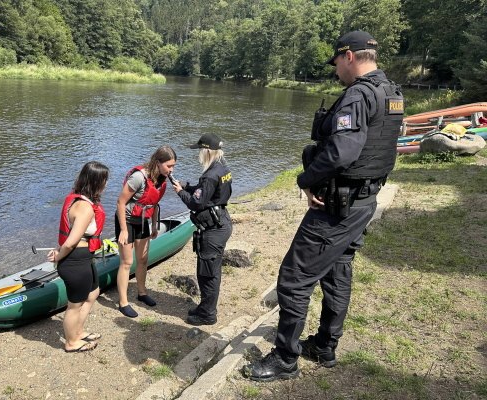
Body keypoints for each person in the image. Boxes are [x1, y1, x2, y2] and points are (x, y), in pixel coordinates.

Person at [243, 31, 404, 380]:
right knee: (337, 269)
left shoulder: (359, 95)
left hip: (338, 205)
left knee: (293, 279)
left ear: (349, 56)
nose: (336, 72)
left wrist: (306, 181)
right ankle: (326, 345)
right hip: (364, 200)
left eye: (337, 63)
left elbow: (342, 151)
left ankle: (286, 358)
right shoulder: (391, 92)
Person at [47, 161, 109, 353]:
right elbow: (70, 242)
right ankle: (71, 342)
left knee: (93, 293)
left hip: (83, 258)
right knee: (75, 305)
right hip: (75, 260)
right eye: (104, 180)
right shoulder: (85, 207)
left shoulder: (78, 200)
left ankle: (78, 332)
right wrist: (58, 256)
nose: (106, 184)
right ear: (96, 182)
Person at [172, 133, 233, 325]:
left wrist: (180, 192)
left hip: (212, 231)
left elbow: (196, 203)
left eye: (200, 150)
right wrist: (187, 186)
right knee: (211, 271)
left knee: (207, 274)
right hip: (222, 222)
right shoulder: (222, 168)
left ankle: (208, 315)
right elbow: (205, 193)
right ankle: (205, 307)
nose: (198, 154)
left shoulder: (209, 175)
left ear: (206, 151)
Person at [116, 145, 177, 318]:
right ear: (157, 162)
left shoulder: (162, 180)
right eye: (169, 166)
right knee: (127, 262)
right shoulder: (138, 177)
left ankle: (142, 293)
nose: (171, 170)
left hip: (143, 220)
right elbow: (120, 203)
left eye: (173, 166)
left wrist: (155, 225)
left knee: (143, 259)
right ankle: (123, 303)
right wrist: (123, 230)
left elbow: (154, 203)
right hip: (127, 220)